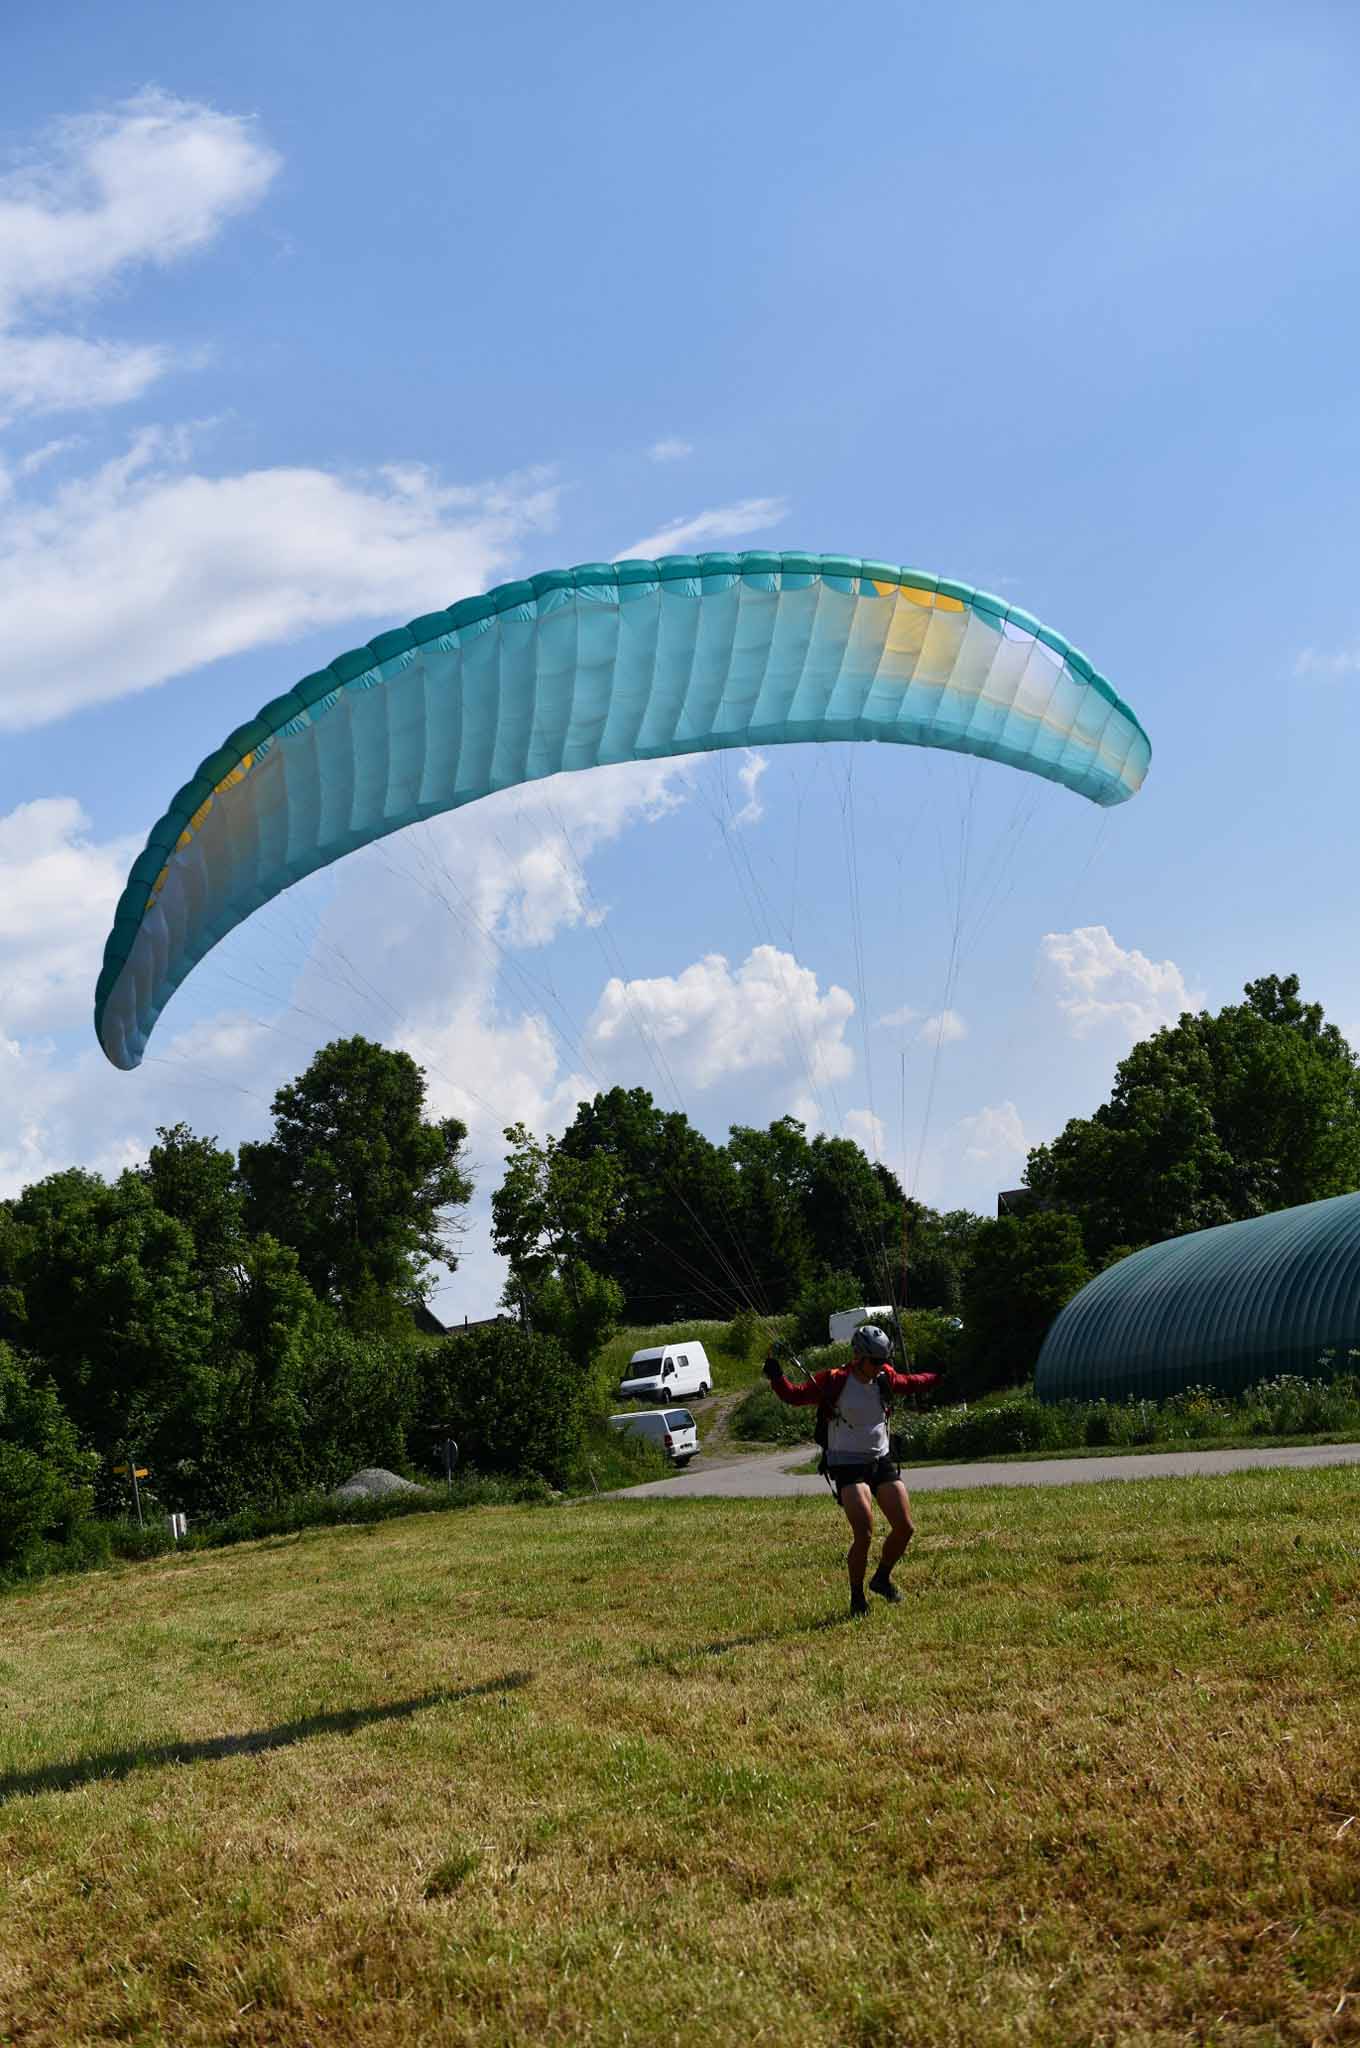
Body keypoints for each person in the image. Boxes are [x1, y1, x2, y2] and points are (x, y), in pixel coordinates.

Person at [763, 1324, 938, 1617]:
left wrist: (938, 1376)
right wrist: (777, 1377)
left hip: (880, 1460)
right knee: (865, 1532)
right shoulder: (834, 1380)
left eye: (884, 1361)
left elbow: (909, 1383)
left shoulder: (884, 1377)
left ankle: (881, 1579)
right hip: (847, 1464)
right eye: (875, 1361)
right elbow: (795, 1395)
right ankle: (857, 1597)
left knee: (905, 1528)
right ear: (858, 1357)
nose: (880, 1366)